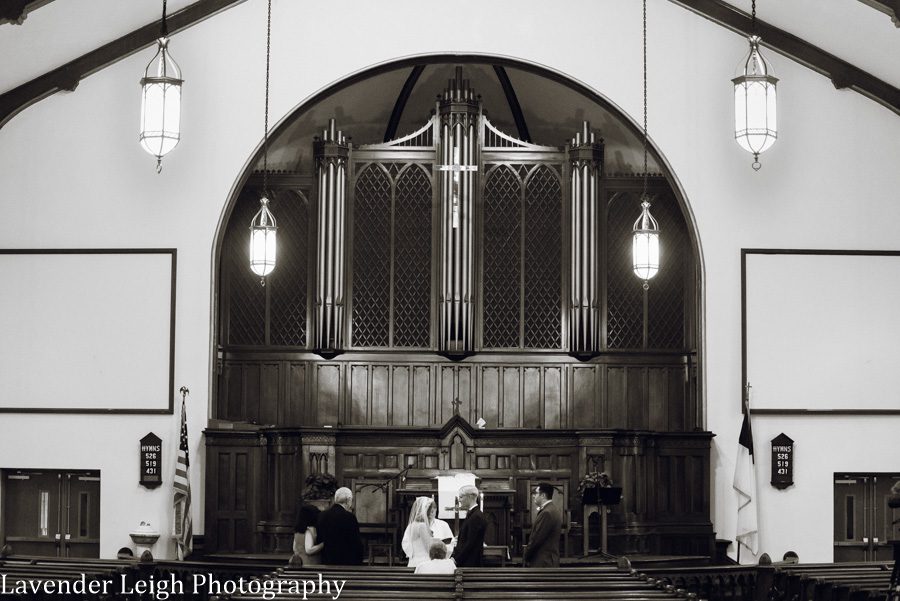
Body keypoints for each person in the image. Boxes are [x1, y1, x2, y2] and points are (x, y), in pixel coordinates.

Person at [402, 497, 456, 566]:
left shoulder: (443, 524)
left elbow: (451, 543)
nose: (431, 515)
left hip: (431, 561)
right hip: (424, 562)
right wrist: (438, 542)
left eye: (433, 511)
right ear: (424, 512)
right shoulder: (420, 526)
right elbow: (406, 543)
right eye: (429, 512)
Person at [316, 487, 364, 565]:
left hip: (326, 561)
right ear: (348, 500)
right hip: (346, 562)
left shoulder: (322, 515)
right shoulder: (350, 517)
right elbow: (356, 542)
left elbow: (319, 539)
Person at [523, 482, 562, 567]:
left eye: (536, 493)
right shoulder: (551, 509)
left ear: (543, 495)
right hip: (547, 560)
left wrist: (526, 556)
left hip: (543, 562)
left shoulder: (547, 513)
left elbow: (537, 538)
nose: (533, 496)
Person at [451, 484, 486, 567]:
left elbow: (470, 543)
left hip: (470, 563)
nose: (459, 500)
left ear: (470, 496)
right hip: (467, 561)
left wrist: (456, 559)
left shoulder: (476, 516)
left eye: (461, 497)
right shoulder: (472, 514)